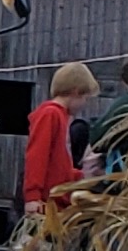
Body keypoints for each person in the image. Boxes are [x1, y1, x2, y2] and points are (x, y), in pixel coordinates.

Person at [21, 62, 97, 212]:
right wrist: (33, 196)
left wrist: (80, 176)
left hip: (57, 202)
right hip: (45, 203)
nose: (84, 104)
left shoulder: (62, 117)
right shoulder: (51, 114)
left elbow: (59, 164)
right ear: (76, 92)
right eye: (85, 98)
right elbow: (37, 155)